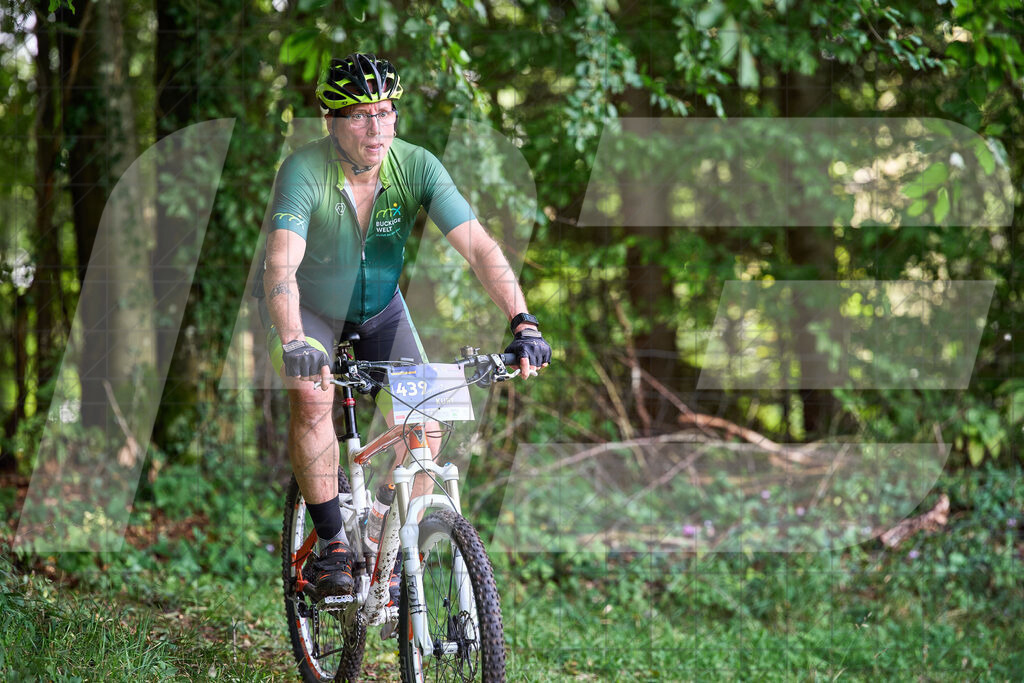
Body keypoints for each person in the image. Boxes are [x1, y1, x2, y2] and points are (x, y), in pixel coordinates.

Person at [256, 53, 551, 599]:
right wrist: (295, 339)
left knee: (425, 426)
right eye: (361, 114)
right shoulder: (303, 171)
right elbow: (281, 266)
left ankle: (381, 534)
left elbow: (481, 248)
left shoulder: (416, 165)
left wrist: (523, 321)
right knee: (312, 393)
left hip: (378, 310)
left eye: (387, 112)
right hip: (312, 310)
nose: (377, 127)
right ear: (332, 121)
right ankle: (334, 547)